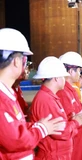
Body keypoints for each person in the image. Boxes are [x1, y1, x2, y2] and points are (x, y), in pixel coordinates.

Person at [0, 28, 66, 159]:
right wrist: (41, 128)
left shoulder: (8, 93)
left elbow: (14, 127)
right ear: (16, 61)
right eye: (25, 60)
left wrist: (36, 125)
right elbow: (15, 141)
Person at [30, 56, 82, 159]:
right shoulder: (45, 100)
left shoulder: (50, 97)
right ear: (56, 78)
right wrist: (76, 122)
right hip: (52, 156)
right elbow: (61, 132)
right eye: (63, 76)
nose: (65, 79)